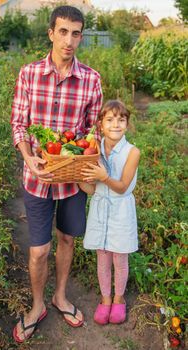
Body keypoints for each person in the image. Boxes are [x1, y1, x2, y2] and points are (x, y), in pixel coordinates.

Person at [10, 5, 103, 343]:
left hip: (72, 181)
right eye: (63, 32)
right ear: (51, 33)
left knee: (66, 239)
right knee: (39, 250)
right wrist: (28, 157)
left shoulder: (91, 79)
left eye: (75, 33)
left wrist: (87, 159)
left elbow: (95, 132)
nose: (69, 40)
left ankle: (59, 296)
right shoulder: (29, 74)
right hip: (37, 178)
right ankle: (37, 306)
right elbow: (19, 125)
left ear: (81, 36)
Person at [79, 100, 140, 325]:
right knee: (102, 257)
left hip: (121, 210)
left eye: (121, 120)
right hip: (100, 208)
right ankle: (105, 299)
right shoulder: (93, 150)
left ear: (127, 124)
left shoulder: (132, 152)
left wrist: (104, 177)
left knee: (119, 258)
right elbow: (92, 188)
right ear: (100, 125)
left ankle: (119, 299)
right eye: (110, 120)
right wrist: (79, 177)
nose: (116, 124)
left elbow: (123, 186)